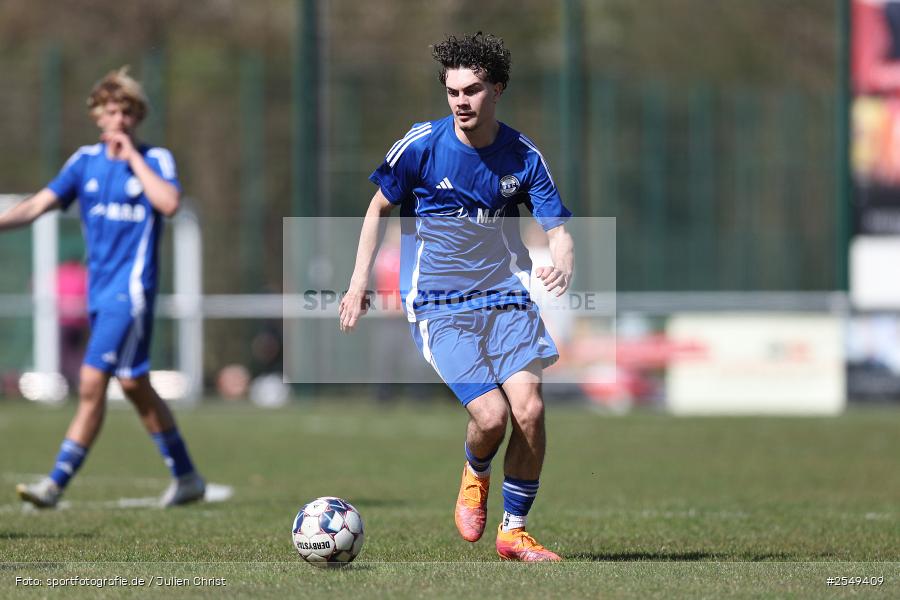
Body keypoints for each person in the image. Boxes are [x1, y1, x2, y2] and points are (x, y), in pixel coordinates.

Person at [339, 33, 573, 561]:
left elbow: (557, 228)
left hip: (505, 298)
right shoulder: (422, 144)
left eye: (472, 90)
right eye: (452, 91)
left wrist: (563, 260)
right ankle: (476, 471)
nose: (461, 101)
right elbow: (377, 207)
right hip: (441, 304)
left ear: (498, 89)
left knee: (530, 411)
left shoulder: (523, 156)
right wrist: (358, 283)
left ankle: (514, 532)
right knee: (491, 418)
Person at [0, 67, 205, 508]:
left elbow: (169, 203)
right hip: (99, 293)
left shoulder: (156, 160)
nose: (119, 120)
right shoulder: (83, 163)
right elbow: (38, 204)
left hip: (130, 294)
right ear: (97, 115)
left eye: (127, 112)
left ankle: (54, 485)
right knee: (133, 385)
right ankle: (187, 476)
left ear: (137, 117)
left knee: (92, 382)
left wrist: (132, 157)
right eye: (111, 111)